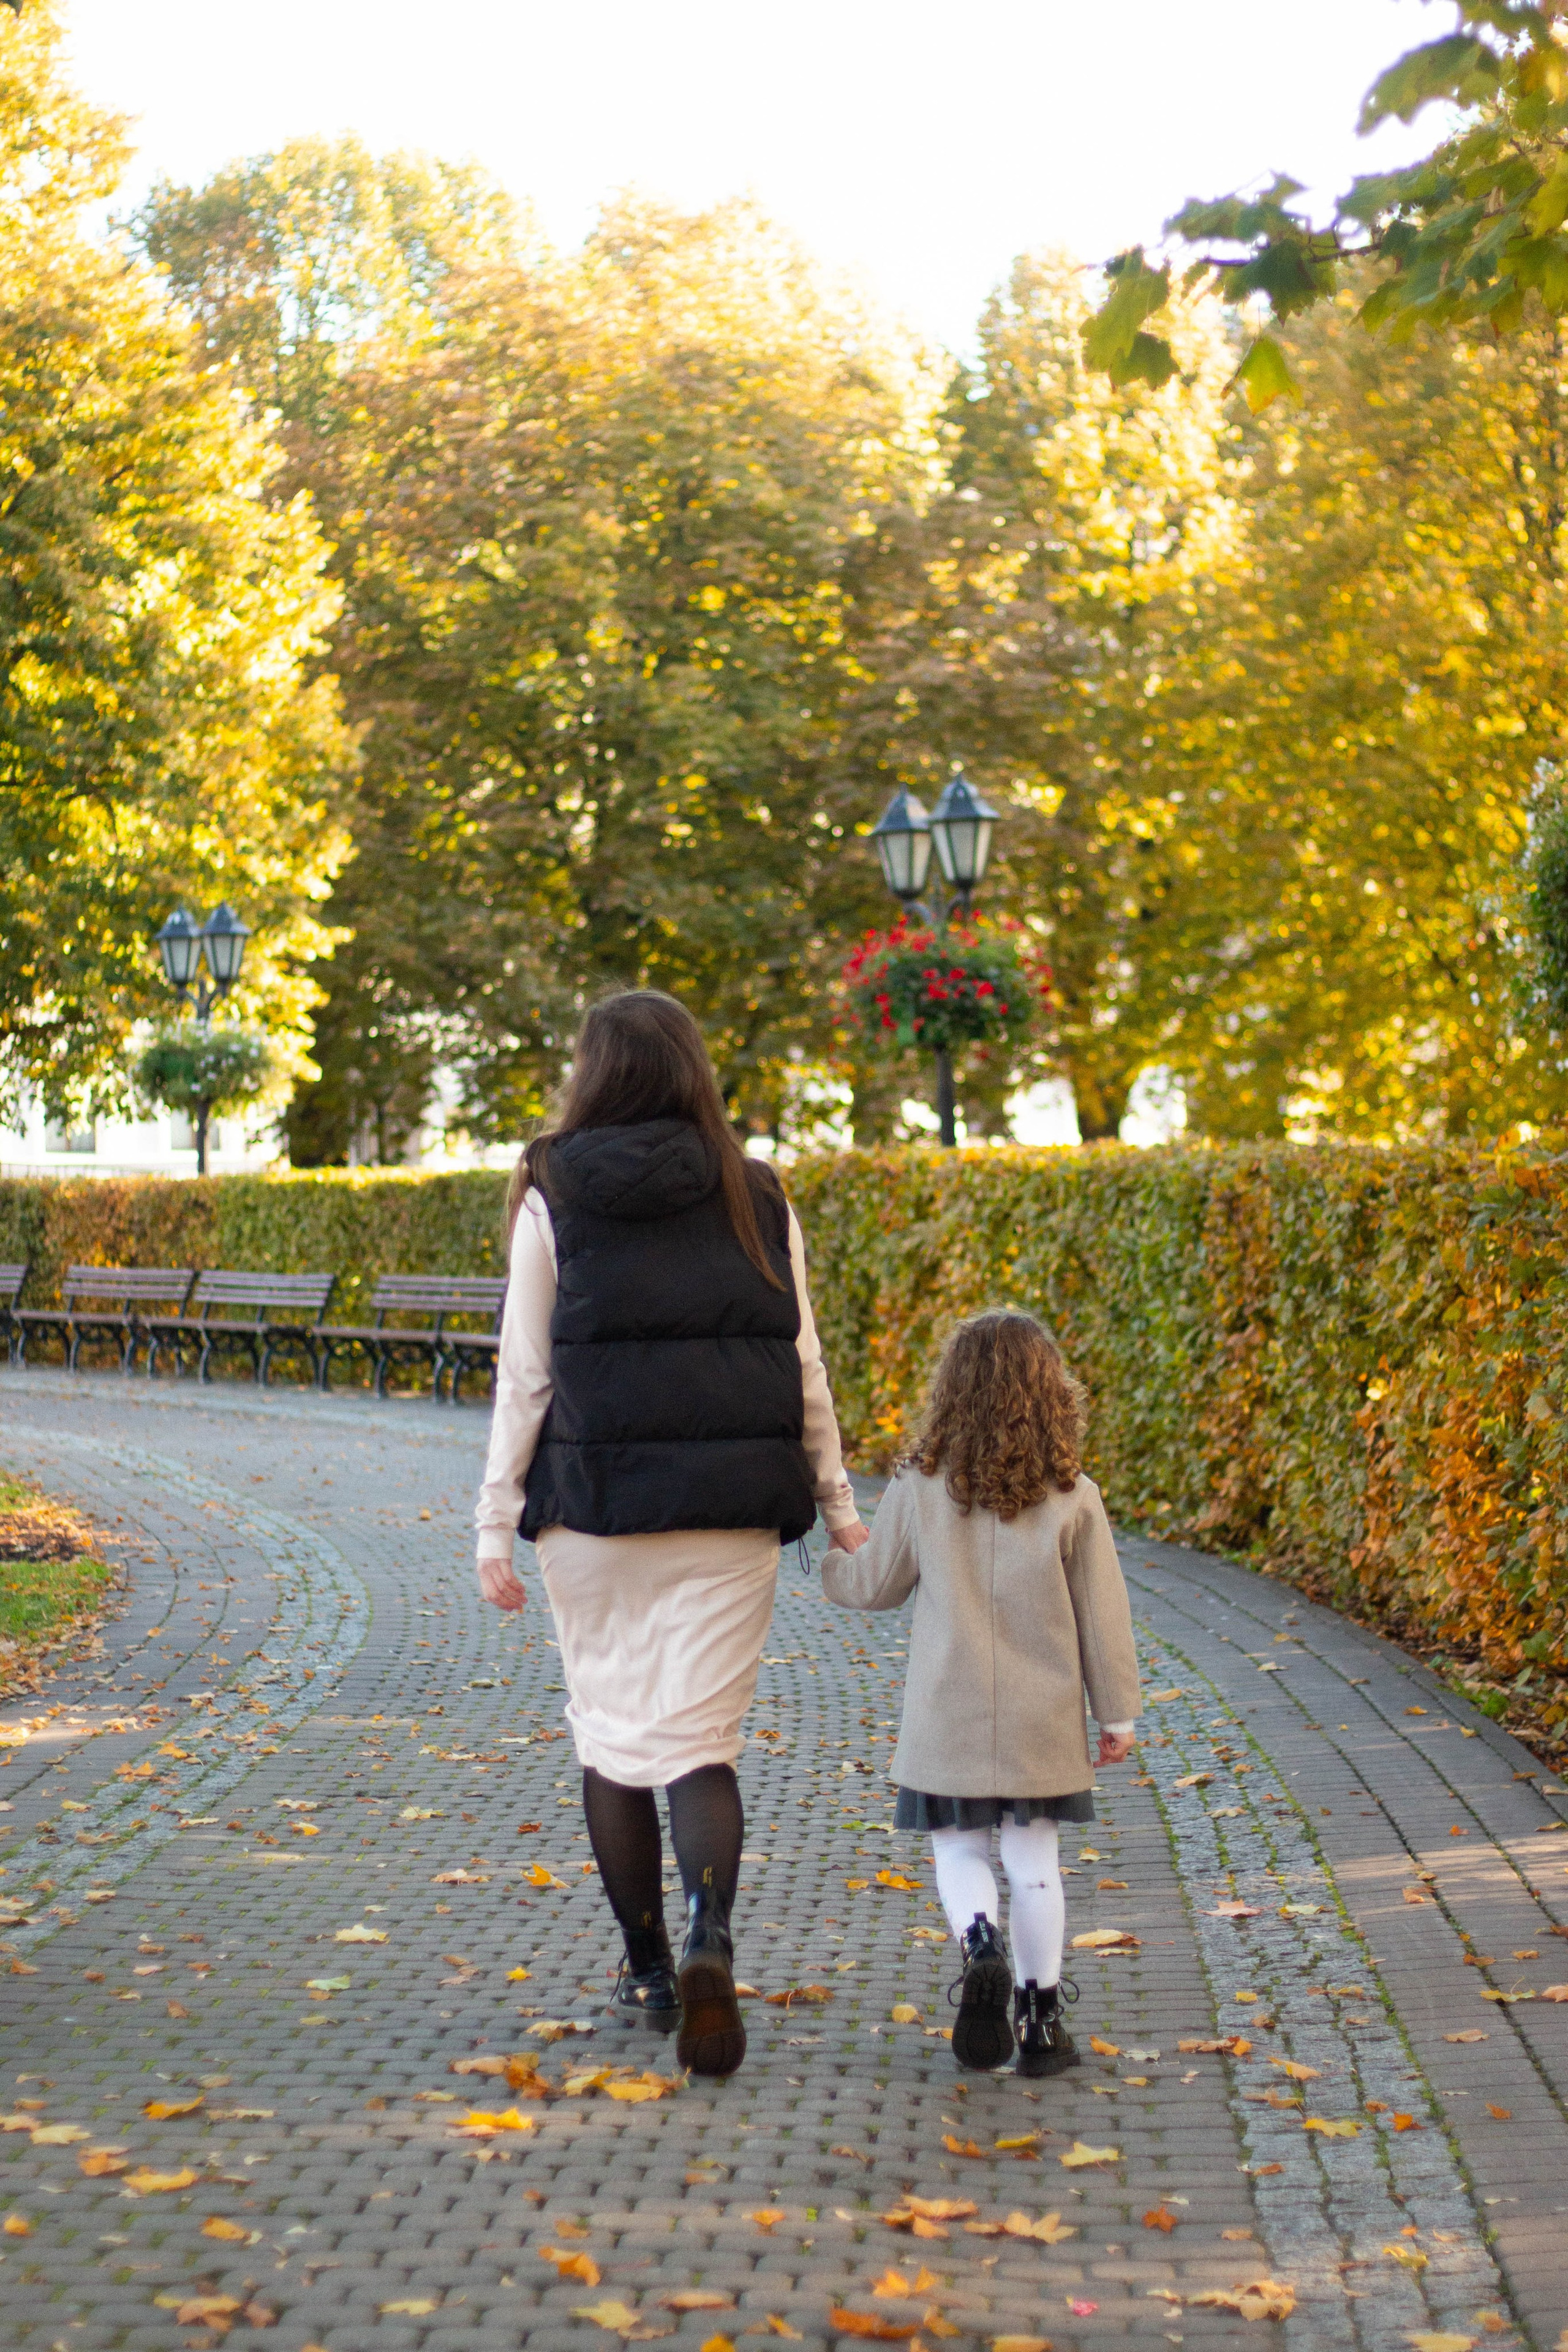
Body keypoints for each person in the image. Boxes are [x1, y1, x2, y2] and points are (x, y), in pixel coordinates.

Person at [473, 990, 868, 2078]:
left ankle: (648, 1970)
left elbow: (526, 1374)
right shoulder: (757, 1192)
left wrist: (495, 1523)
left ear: (592, 1071)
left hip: (593, 1513)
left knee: (612, 1740)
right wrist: (837, 1504)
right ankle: (709, 1935)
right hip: (728, 1518)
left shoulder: (550, 1188)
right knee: (701, 1746)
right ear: (695, 1069)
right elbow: (802, 1362)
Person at [820, 1309, 1140, 2076]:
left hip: (948, 1712)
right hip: (1041, 1716)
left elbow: (875, 1586)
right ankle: (1039, 2021)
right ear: (1051, 1392)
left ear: (951, 1390)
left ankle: (978, 1939)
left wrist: (827, 1556)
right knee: (1035, 1862)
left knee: (959, 1849)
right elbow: (1103, 1616)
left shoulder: (921, 1487)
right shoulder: (1074, 1495)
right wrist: (1117, 1712)